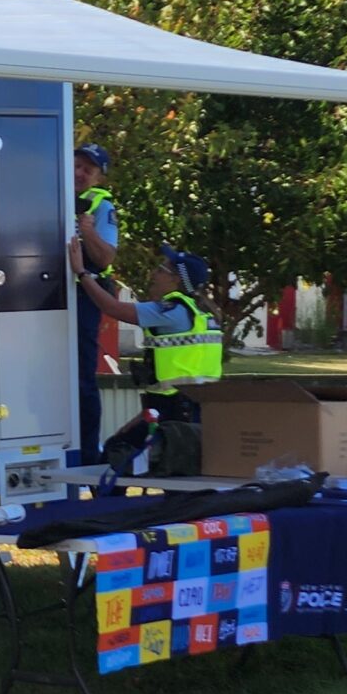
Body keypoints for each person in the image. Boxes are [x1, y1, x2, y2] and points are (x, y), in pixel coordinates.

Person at [67, 236, 223, 390]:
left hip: (172, 400)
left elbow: (112, 308)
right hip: (200, 399)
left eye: (160, 270)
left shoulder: (172, 312)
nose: (153, 274)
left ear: (175, 279)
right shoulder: (201, 312)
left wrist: (81, 272)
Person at [71, 142, 118, 460]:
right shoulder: (49, 194)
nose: (80, 173)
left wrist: (87, 231)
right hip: (44, 295)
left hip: (83, 296)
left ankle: (88, 455)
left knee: (82, 376)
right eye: (77, 165)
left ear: (99, 178)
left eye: (89, 170)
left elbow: (105, 258)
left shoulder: (101, 206)